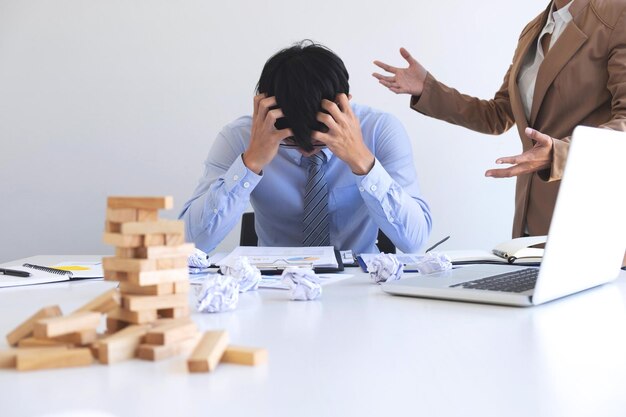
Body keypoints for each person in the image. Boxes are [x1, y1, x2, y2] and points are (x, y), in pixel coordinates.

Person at [373, 0, 626, 240]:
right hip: (530, 214)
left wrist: (558, 153)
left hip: (589, 214)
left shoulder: (616, 15)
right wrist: (428, 88)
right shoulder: (534, 29)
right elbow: (498, 114)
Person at [180, 41, 432, 254]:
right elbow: (190, 245)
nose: (306, 150)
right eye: (290, 140)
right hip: (273, 289)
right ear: (264, 108)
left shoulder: (380, 130)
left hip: (360, 285)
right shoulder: (239, 137)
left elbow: (415, 241)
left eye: (322, 137)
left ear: (345, 106)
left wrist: (363, 162)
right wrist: (249, 164)